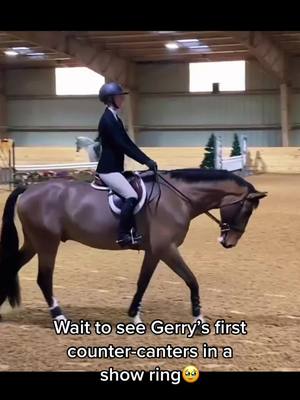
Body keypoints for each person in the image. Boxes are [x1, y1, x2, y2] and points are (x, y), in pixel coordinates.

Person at [95, 82, 158, 248]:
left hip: (116, 168)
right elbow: (123, 145)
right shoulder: (107, 120)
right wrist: (145, 161)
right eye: (119, 96)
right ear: (110, 99)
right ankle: (123, 235)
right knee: (131, 195)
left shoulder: (115, 117)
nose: (122, 99)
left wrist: (146, 159)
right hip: (108, 170)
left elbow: (128, 142)